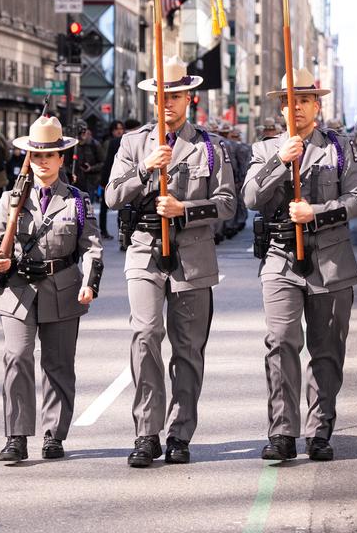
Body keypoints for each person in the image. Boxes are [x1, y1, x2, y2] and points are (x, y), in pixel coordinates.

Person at [105, 58, 235, 468]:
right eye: (160, 96)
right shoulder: (132, 143)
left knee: (188, 350)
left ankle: (180, 433)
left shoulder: (211, 147)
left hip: (192, 256)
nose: (167, 103)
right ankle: (146, 432)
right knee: (144, 335)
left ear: (189, 99)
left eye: (175, 96)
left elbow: (228, 204)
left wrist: (184, 208)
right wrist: (146, 169)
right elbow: (111, 196)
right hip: (145, 251)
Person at [244, 67, 357, 464]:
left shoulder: (340, 147)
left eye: (303, 100)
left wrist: (316, 212)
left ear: (317, 104)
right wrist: (281, 161)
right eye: (287, 102)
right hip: (280, 258)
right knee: (280, 341)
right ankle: (281, 431)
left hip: (330, 258)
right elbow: (249, 198)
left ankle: (320, 430)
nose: (294, 108)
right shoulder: (265, 149)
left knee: (327, 349)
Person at [0, 115, 104, 463]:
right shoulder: (11, 198)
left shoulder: (77, 200)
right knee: (17, 357)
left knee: (58, 364)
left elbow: (92, 246)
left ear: (62, 158)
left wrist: (90, 283)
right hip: (17, 290)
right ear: (29, 159)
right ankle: (16, 435)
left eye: (50, 155)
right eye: (37, 155)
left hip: (62, 287)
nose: (44, 161)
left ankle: (53, 434)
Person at [98, 120, 125, 239]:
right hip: (110, 179)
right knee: (105, 206)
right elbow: (107, 162)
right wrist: (104, 181)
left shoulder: (123, 141)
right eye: (116, 129)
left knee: (121, 208)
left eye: (121, 128)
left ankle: (121, 233)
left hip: (120, 179)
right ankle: (104, 230)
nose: (119, 131)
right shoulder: (110, 143)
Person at [73, 124, 104, 200]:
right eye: (81, 132)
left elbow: (102, 163)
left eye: (84, 131)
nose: (83, 134)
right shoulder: (73, 145)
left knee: (88, 204)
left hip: (91, 180)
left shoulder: (94, 145)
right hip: (75, 181)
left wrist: (91, 168)